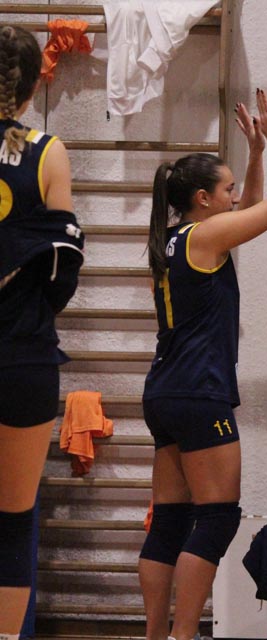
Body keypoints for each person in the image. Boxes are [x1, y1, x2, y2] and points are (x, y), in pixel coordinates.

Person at [138, 89, 267, 640]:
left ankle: (156, 634)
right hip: (199, 390)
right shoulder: (207, 236)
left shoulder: (177, 238)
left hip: (164, 390)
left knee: (171, 519)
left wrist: (252, 157)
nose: (235, 197)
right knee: (218, 515)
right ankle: (184, 634)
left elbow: (248, 207)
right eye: (226, 190)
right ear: (203, 199)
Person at [0, 24, 78, 638]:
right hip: (23, 352)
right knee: (13, 519)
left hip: (23, 350)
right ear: (32, 88)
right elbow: (65, 262)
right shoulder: (47, 151)